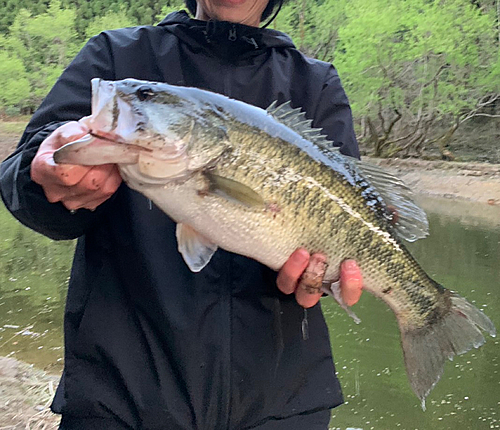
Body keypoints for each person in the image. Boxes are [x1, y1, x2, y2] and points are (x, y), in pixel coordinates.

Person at [0, 1, 363, 428]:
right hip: (120, 404)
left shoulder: (315, 82)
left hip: (281, 408)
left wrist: (317, 281)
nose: (136, 99)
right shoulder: (115, 56)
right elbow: (25, 179)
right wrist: (46, 180)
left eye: (147, 96)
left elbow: (344, 219)